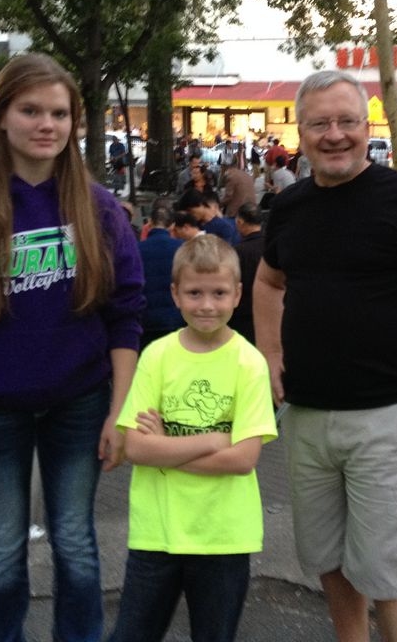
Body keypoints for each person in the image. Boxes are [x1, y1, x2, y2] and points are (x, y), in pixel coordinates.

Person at [0, 53, 145, 642]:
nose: (47, 124)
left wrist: (119, 411)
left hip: (79, 403)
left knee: (77, 547)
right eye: (31, 110)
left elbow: (125, 314)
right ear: (1, 117)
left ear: (75, 123)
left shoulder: (97, 208)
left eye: (60, 113)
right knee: (2, 556)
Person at [253, 71, 397, 642]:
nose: (334, 134)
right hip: (304, 415)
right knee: (327, 557)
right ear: (300, 132)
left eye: (347, 121)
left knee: (391, 572)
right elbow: (269, 282)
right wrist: (269, 351)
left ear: (366, 126)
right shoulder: (290, 206)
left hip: (384, 418)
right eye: (320, 123)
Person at [109, 234, 277, 642]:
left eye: (218, 293)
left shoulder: (249, 363)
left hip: (223, 536)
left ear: (237, 294)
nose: (206, 305)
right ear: (175, 294)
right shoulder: (157, 356)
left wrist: (164, 446)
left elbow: (243, 460)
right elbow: (135, 447)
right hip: (157, 531)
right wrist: (214, 440)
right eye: (194, 293)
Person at [138, 206, 185, 350]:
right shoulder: (183, 248)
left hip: (146, 318)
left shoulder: (137, 249)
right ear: (172, 225)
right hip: (176, 317)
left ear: (149, 222)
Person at [231, 202, 264, 345]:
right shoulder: (272, 246)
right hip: (271, 310)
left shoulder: (238, 251)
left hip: (244, 314)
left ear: (240, 222)